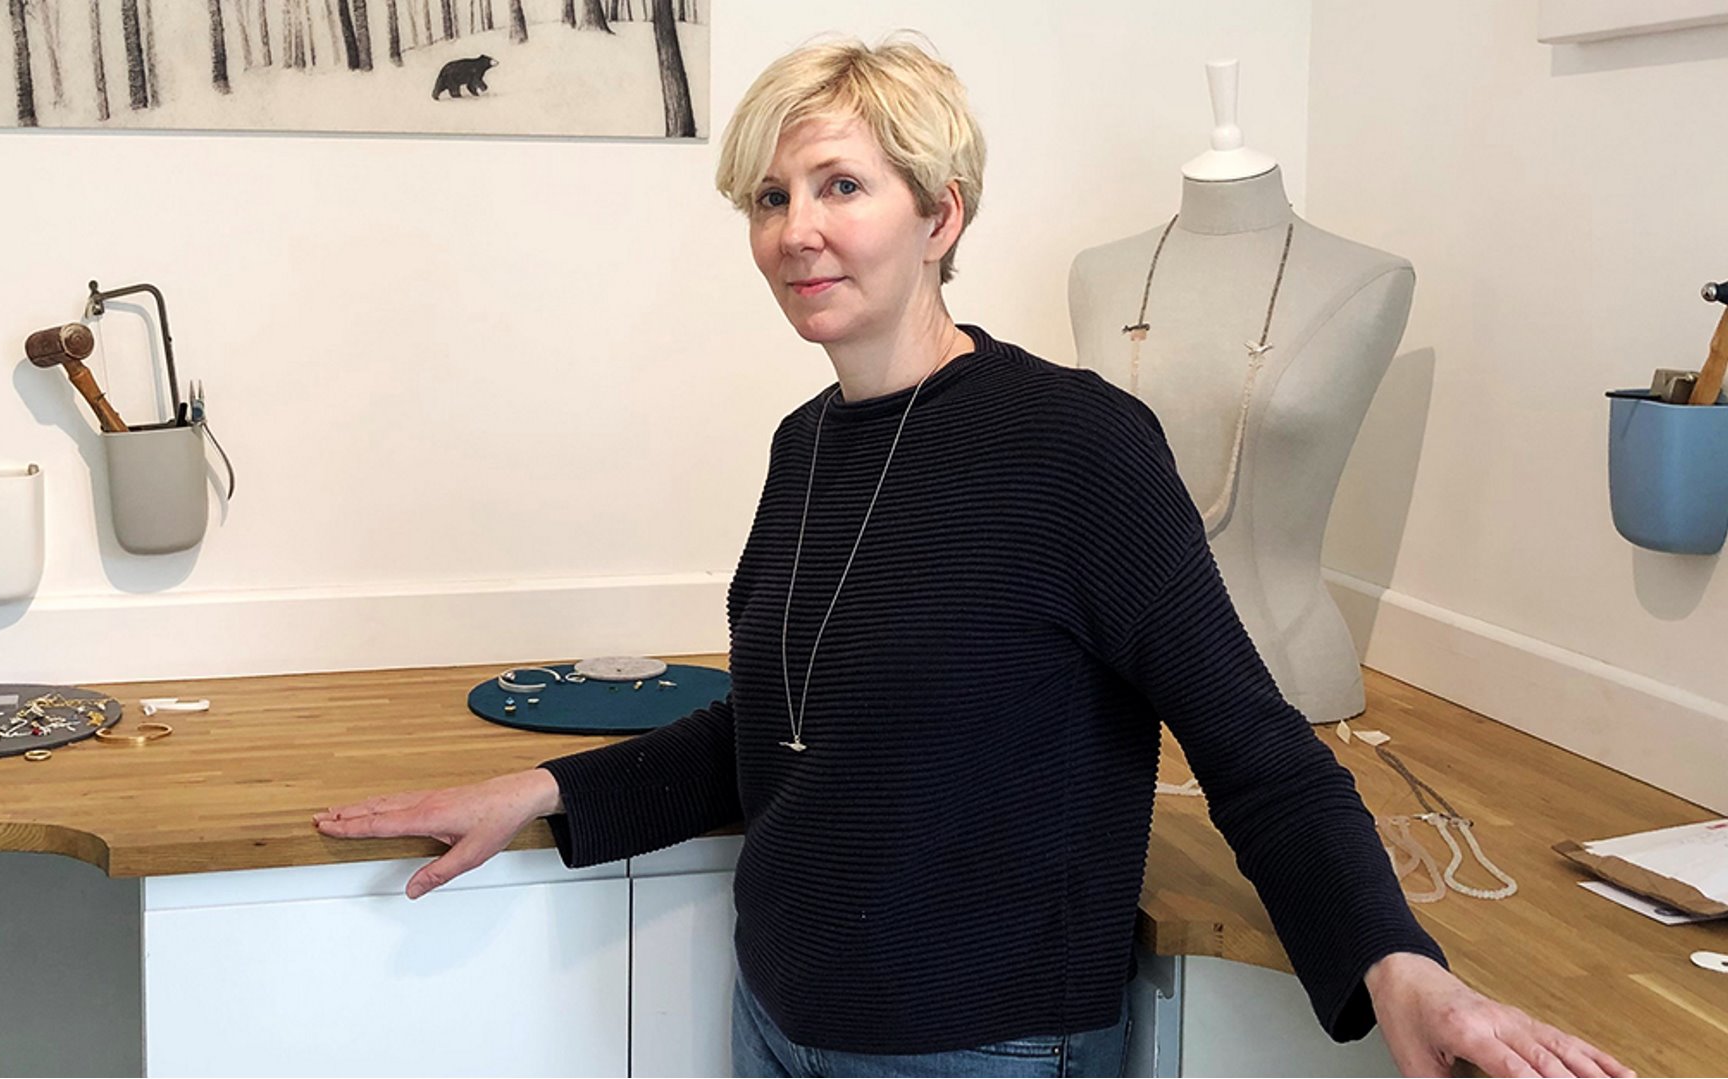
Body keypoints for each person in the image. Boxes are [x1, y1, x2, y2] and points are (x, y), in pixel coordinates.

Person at [315, 37, 1633, 1079]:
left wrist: (1400, 965)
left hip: (983, 1049)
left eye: (841, 187)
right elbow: (774, 733)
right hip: (776, 1021)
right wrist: (542, 788)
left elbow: (1258, 751)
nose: (796, 231)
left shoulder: (1076, 445)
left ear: (940, 215)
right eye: (770, 198)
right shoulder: (803, 445)